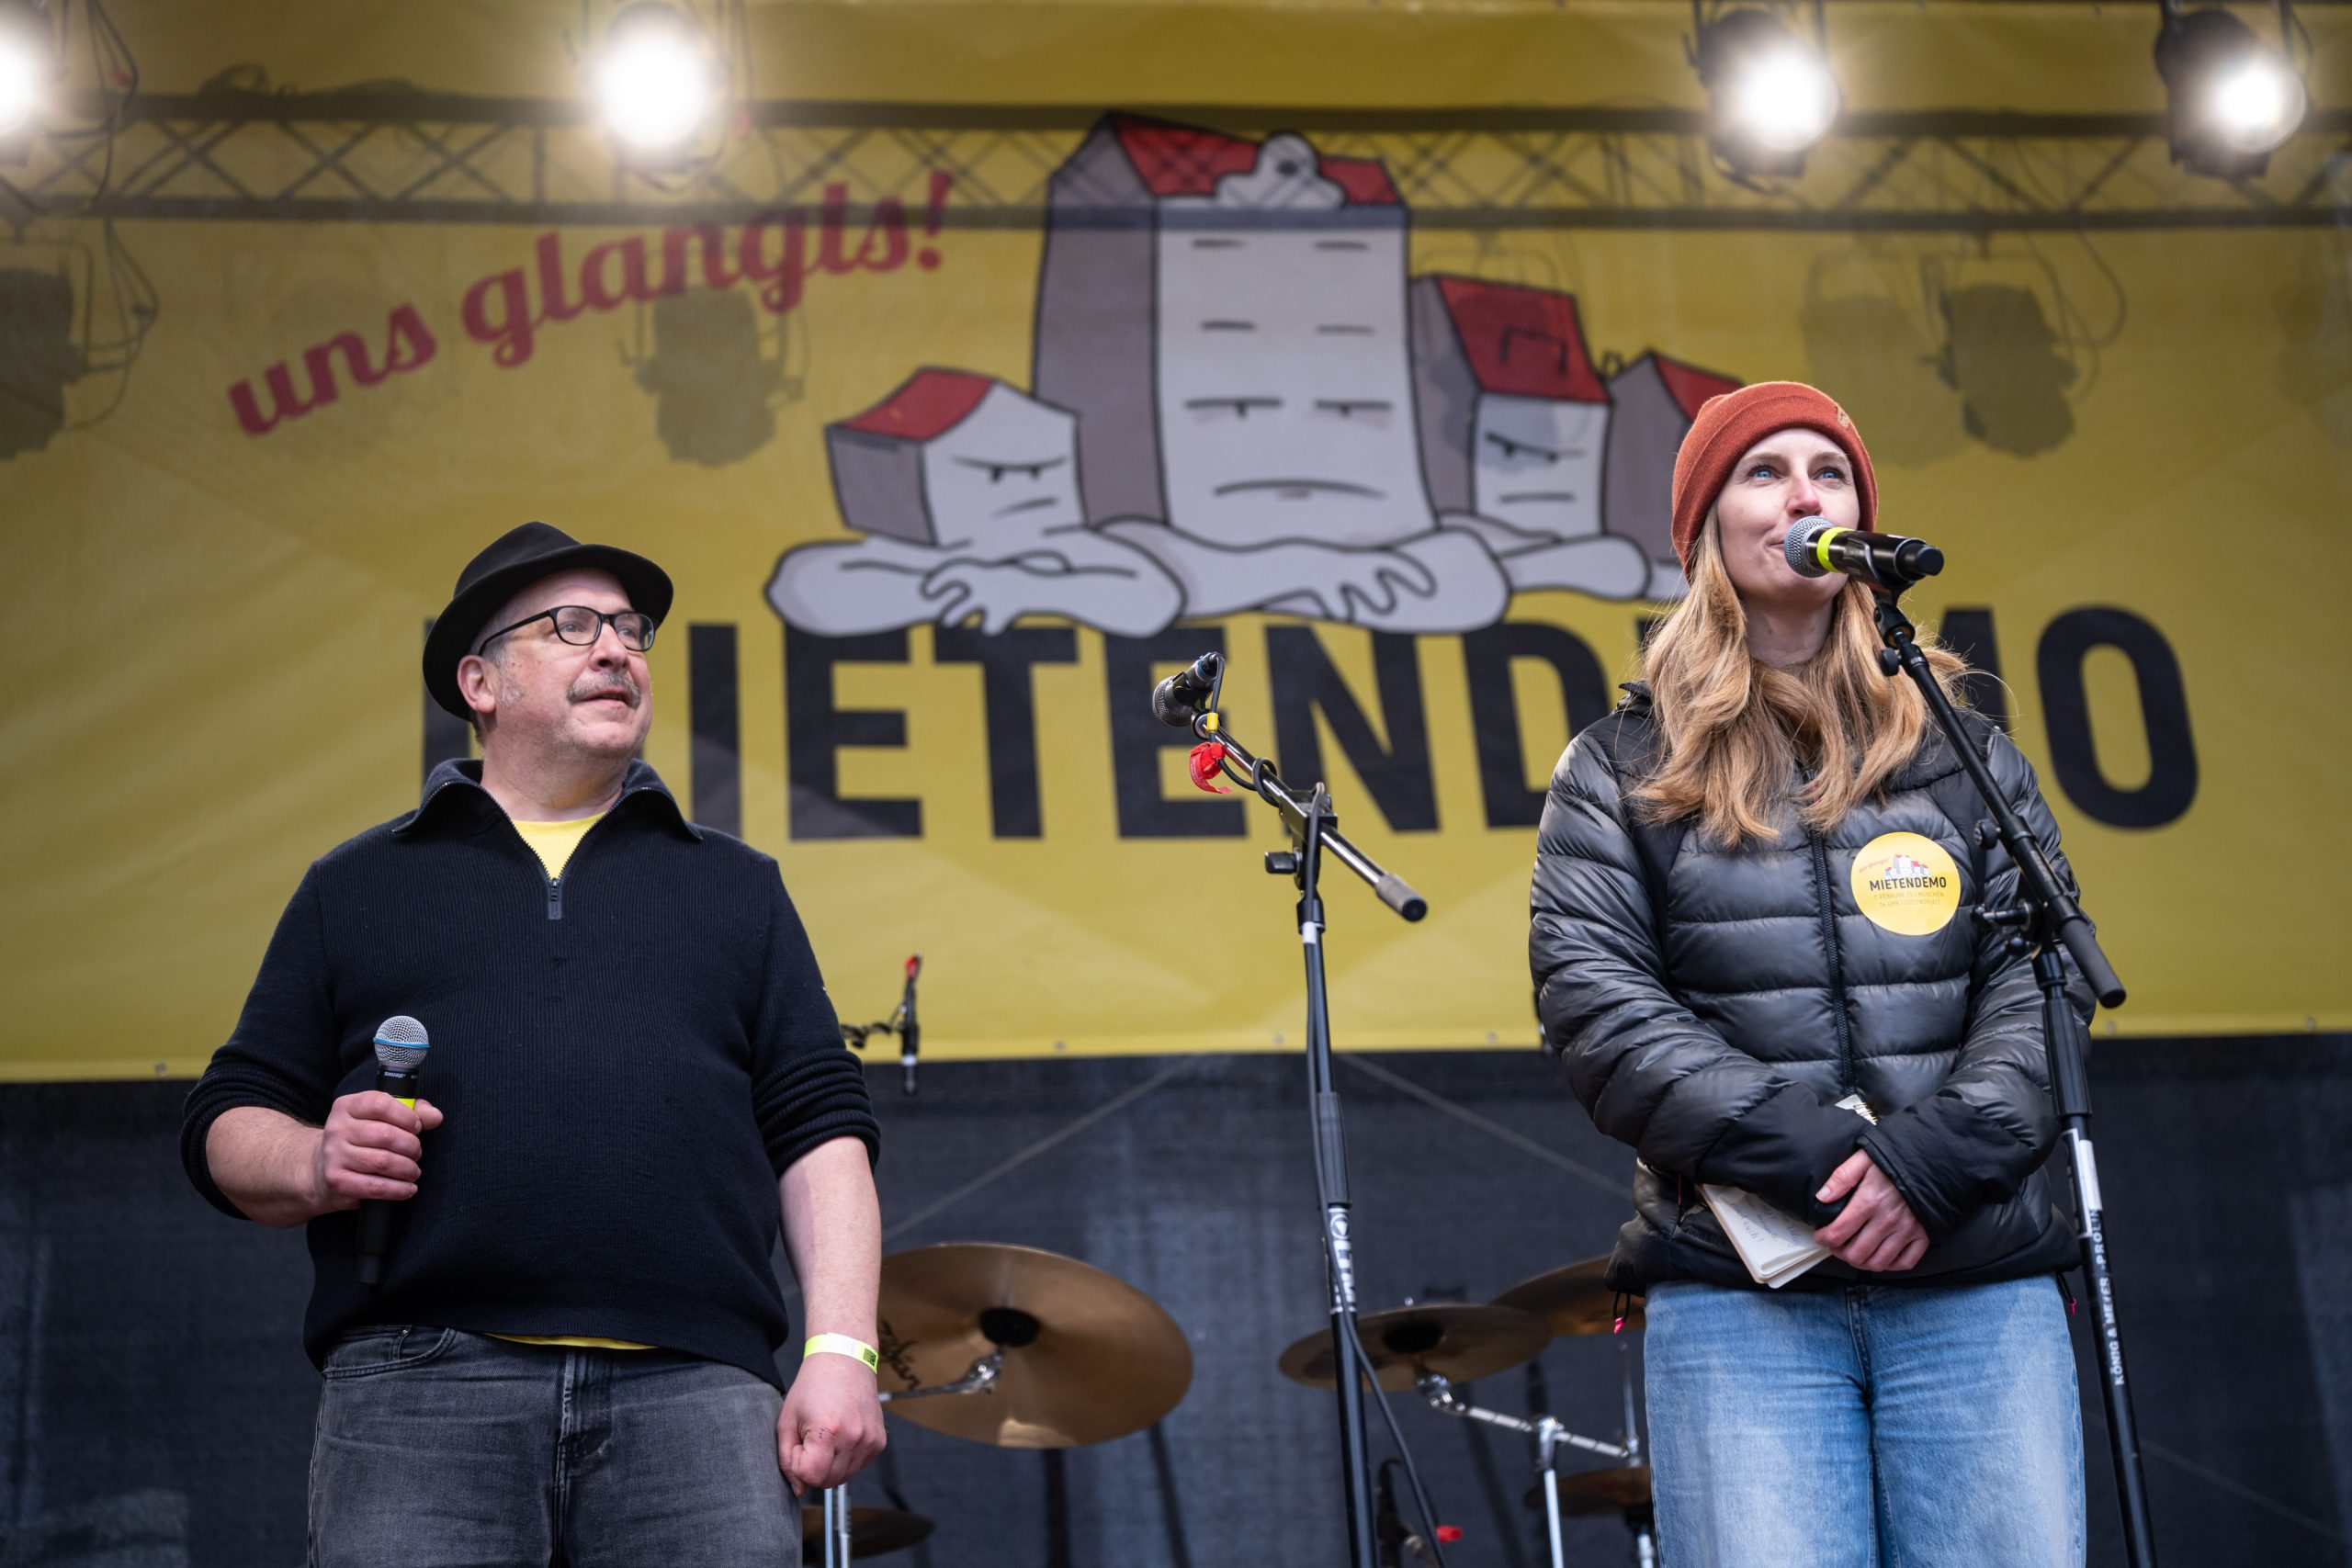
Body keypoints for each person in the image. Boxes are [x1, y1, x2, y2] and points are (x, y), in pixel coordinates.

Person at [180, 521, 885, 1567]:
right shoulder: (359, 884)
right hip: (422, 1389)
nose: (617, 650)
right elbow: (225, 1118)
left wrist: (839, 1349)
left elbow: (820, 1126)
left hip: (696, 1389)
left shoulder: (735, 886)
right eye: (572, 626)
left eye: (631, 631)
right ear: (480, 681)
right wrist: (312, 1159)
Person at [1529, 382, 2090, 1567]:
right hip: (1743, 1303)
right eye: (1764, 471)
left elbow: (2042, 981)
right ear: (1705, 533)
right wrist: (1835, 1167)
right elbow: (1599, 1010)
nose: (1804, 494)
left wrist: (1930, 1165)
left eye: (1827, 473)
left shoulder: (1964, 750)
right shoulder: (1617, 768)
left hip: (1974, 1286)